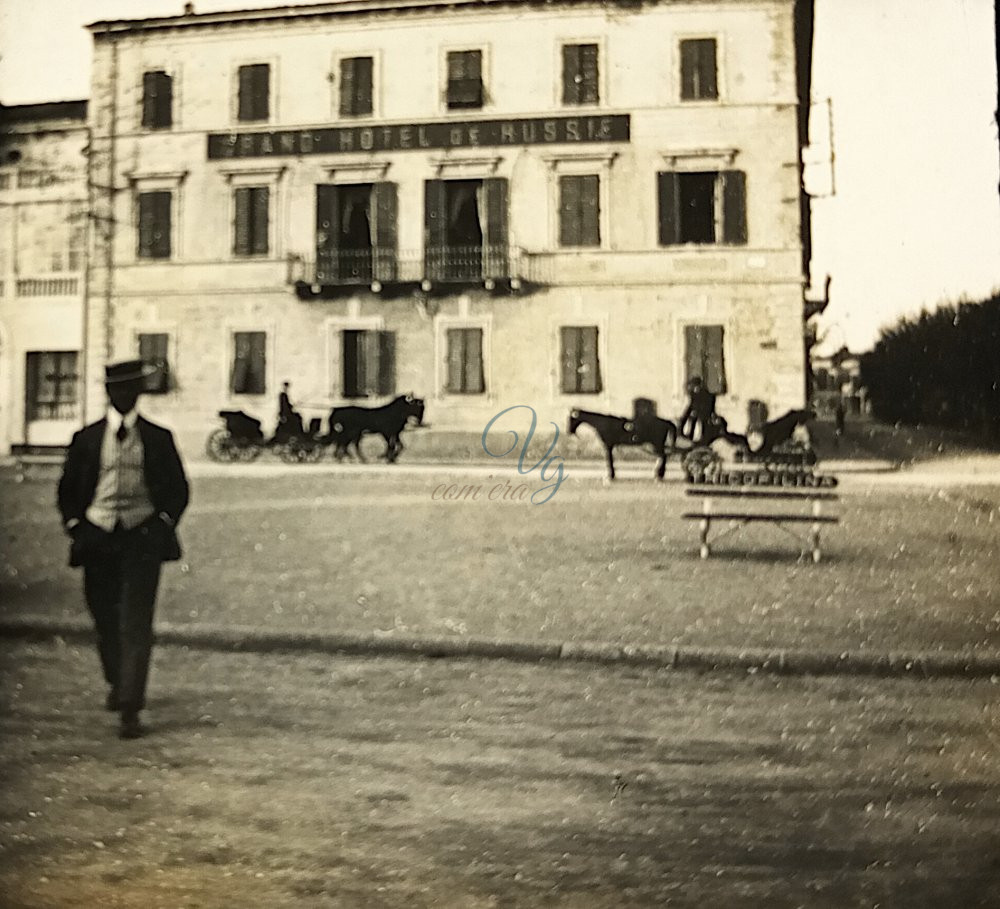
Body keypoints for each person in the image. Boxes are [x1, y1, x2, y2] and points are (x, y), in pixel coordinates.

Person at [57, 360, 189, 740]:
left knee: (136, 621)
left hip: (141, 537)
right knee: (105, 618)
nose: (124, 396)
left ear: (138, 394)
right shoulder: (86, 439)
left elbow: (178, 489)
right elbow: (67, 491)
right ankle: (118, 682)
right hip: (97, 537)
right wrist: (75, 526)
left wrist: (162, 525)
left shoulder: (158, 438)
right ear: (108, 393)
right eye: (117, 389)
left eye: (131, 389)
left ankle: (131, 706)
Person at [679, 376, 717, 441]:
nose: (694, 388)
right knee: (688, 419)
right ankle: (686, 435)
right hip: (697, 412)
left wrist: (696, 412)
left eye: (695, 386)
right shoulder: (693, 394)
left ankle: (702, 438)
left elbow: (707, 407)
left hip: (705, 412)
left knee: (702, 422)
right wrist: (686, 414)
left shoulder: (706, 394)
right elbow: (691, 405)